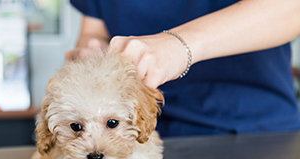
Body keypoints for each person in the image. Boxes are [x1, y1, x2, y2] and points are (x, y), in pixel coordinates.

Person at [66, 0, 300, 137]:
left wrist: (179, 45)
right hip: (141, 136)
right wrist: (92, 52)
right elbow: (93, 31)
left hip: (257, 130)